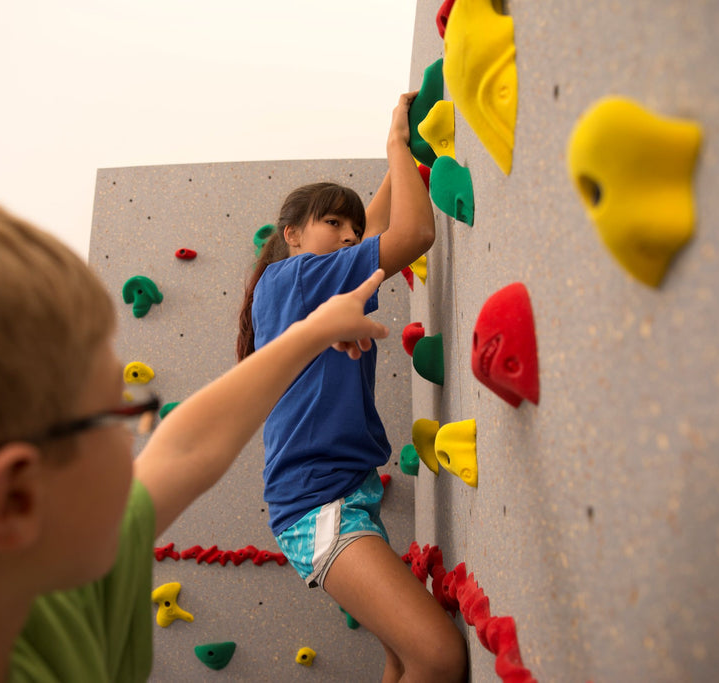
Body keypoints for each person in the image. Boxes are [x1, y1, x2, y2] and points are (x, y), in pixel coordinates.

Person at [0, 167, 391, 682]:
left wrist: (309, 333)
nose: (140, 438)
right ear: (14, 500)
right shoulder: (69, 597)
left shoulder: (21, 569)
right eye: (118, 416)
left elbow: (187, 447)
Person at [237, 93, 469, 682]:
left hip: (339, 493)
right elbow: (413, 231)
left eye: (352, 227)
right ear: (290, 234)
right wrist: (397, 147)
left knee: (400, 658)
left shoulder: (299, 284)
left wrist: (392, 139)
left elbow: (378, 223)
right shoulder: (296, 277)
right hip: (320, 503)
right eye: (330, 223)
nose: (348, 235)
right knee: (438, 658)